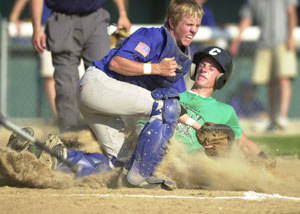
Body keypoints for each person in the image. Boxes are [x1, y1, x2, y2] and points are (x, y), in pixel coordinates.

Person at [76, 0, 203, 186]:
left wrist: (200, 127)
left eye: (197, 25)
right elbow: (116, 63)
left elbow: (174, 107)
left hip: (102, 101)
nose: (193, 30)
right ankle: (140, 177)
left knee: (122, 163)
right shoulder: (151, 35)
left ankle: (58, 161)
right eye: (189, 24)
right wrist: (156, 68)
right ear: (173, 23)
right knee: (163, 108)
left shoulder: (180, 60)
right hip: (97, 84)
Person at [30, 0, 132, 132]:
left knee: (103, 78)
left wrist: (123, 13)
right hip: (61, 20)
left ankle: (114, 132)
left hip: (95, 18)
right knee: (65, 85)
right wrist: (36, 27)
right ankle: (71, 137)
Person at [176, 46, 266, 158]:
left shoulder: (225, 112)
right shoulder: (175, 95)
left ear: (221, 78)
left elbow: (245, 144)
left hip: (189, 164)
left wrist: (269, 168)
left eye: (211, 68)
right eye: (202, 65)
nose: (204, 70)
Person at [229, 0, 298, 131]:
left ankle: (282, 116)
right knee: (270, 83)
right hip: (263, 44)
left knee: (284, 79)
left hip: (283, 42)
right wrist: (236, 40)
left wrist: (290, 37)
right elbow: (247, 19)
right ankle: (272, 119)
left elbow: (292, 13)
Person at [10, 0, 57, 119]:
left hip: (74, 23)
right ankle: (59, 118)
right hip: (47, 26)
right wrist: (14, 17)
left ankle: (77, 118)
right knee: (51, 75)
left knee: (79, 75)